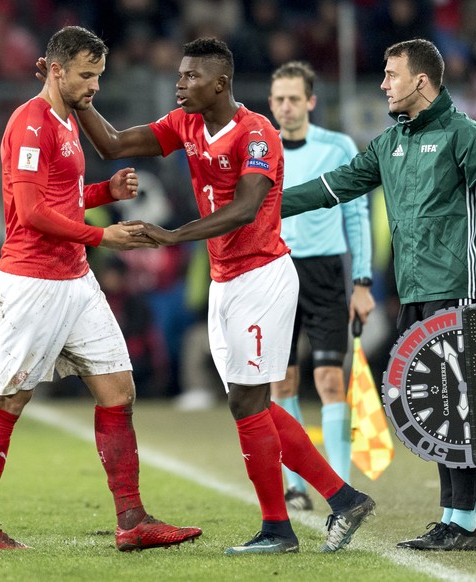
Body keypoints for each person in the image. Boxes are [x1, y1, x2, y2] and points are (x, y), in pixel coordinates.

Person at [69, 37, 375, 555]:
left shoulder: (256, 134)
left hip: (262, 277)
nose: (180, 83)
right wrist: (81, 102)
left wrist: (172, 235)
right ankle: (342, 500)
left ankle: (280, 528)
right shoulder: (186, 122)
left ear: (221, 83)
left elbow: (248, 208)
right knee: (248, 400)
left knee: (247, 400)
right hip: (225, 280)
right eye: (180, 75)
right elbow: (114, 145)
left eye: (191, 77)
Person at [0, 26, 202, 552]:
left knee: (118, 391)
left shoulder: (66, 123)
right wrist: (103, 236)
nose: (94, 85)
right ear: (56, 69)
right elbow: (29, 212)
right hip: (32, 282)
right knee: (7, 399)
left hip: (74, 279)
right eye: (87, 75)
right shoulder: (30, 123)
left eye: (99, 76)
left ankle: (132, 520)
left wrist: (103, 192)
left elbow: (59, 198)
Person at [281, 38, 476, 552]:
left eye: (391, 75)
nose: (384, 84)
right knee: (438, 408)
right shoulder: (389, 143)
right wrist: (268, 203)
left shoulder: (467, 137)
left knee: (458, 409)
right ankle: (454, 520)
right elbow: (338, 184)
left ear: (421, 81)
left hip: (459, 286)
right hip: (412, 289)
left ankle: (465, 524)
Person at [268, 61, 376, 511]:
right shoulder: (260, 146)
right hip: (273, 273)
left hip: (326, 275)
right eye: (279, 100)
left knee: (331, 380)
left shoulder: (338, 147)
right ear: (271, 104)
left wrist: (363, 281)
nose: (287, 107)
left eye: (295, 98)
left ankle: (341, 487)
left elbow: (358, 215)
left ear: (311, 101)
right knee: (282, 383)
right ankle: (295, 487)